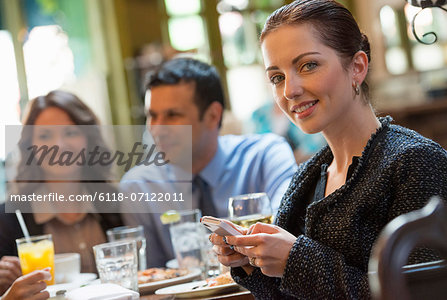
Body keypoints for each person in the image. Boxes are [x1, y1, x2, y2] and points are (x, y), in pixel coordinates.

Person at [209, 0, 447, 299]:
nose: (290, 90)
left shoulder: (416, 162)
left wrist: (295, 261)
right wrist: (253, 264)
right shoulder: (306, 179)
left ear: (357, 67)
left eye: (308, 65)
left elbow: (422, 293)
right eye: (277, 77)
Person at [120, 57, 297, 267]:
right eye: (152, 115)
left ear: (213, 115)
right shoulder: (138, 187)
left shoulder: (265, 157)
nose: (157, 128)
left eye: (173, 115)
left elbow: (283, 238)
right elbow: (150, 278)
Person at [0, 90, 123, 287]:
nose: (59, 145)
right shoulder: (10, 219)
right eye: (45, 135)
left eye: (70, 132)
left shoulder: (116, 202)